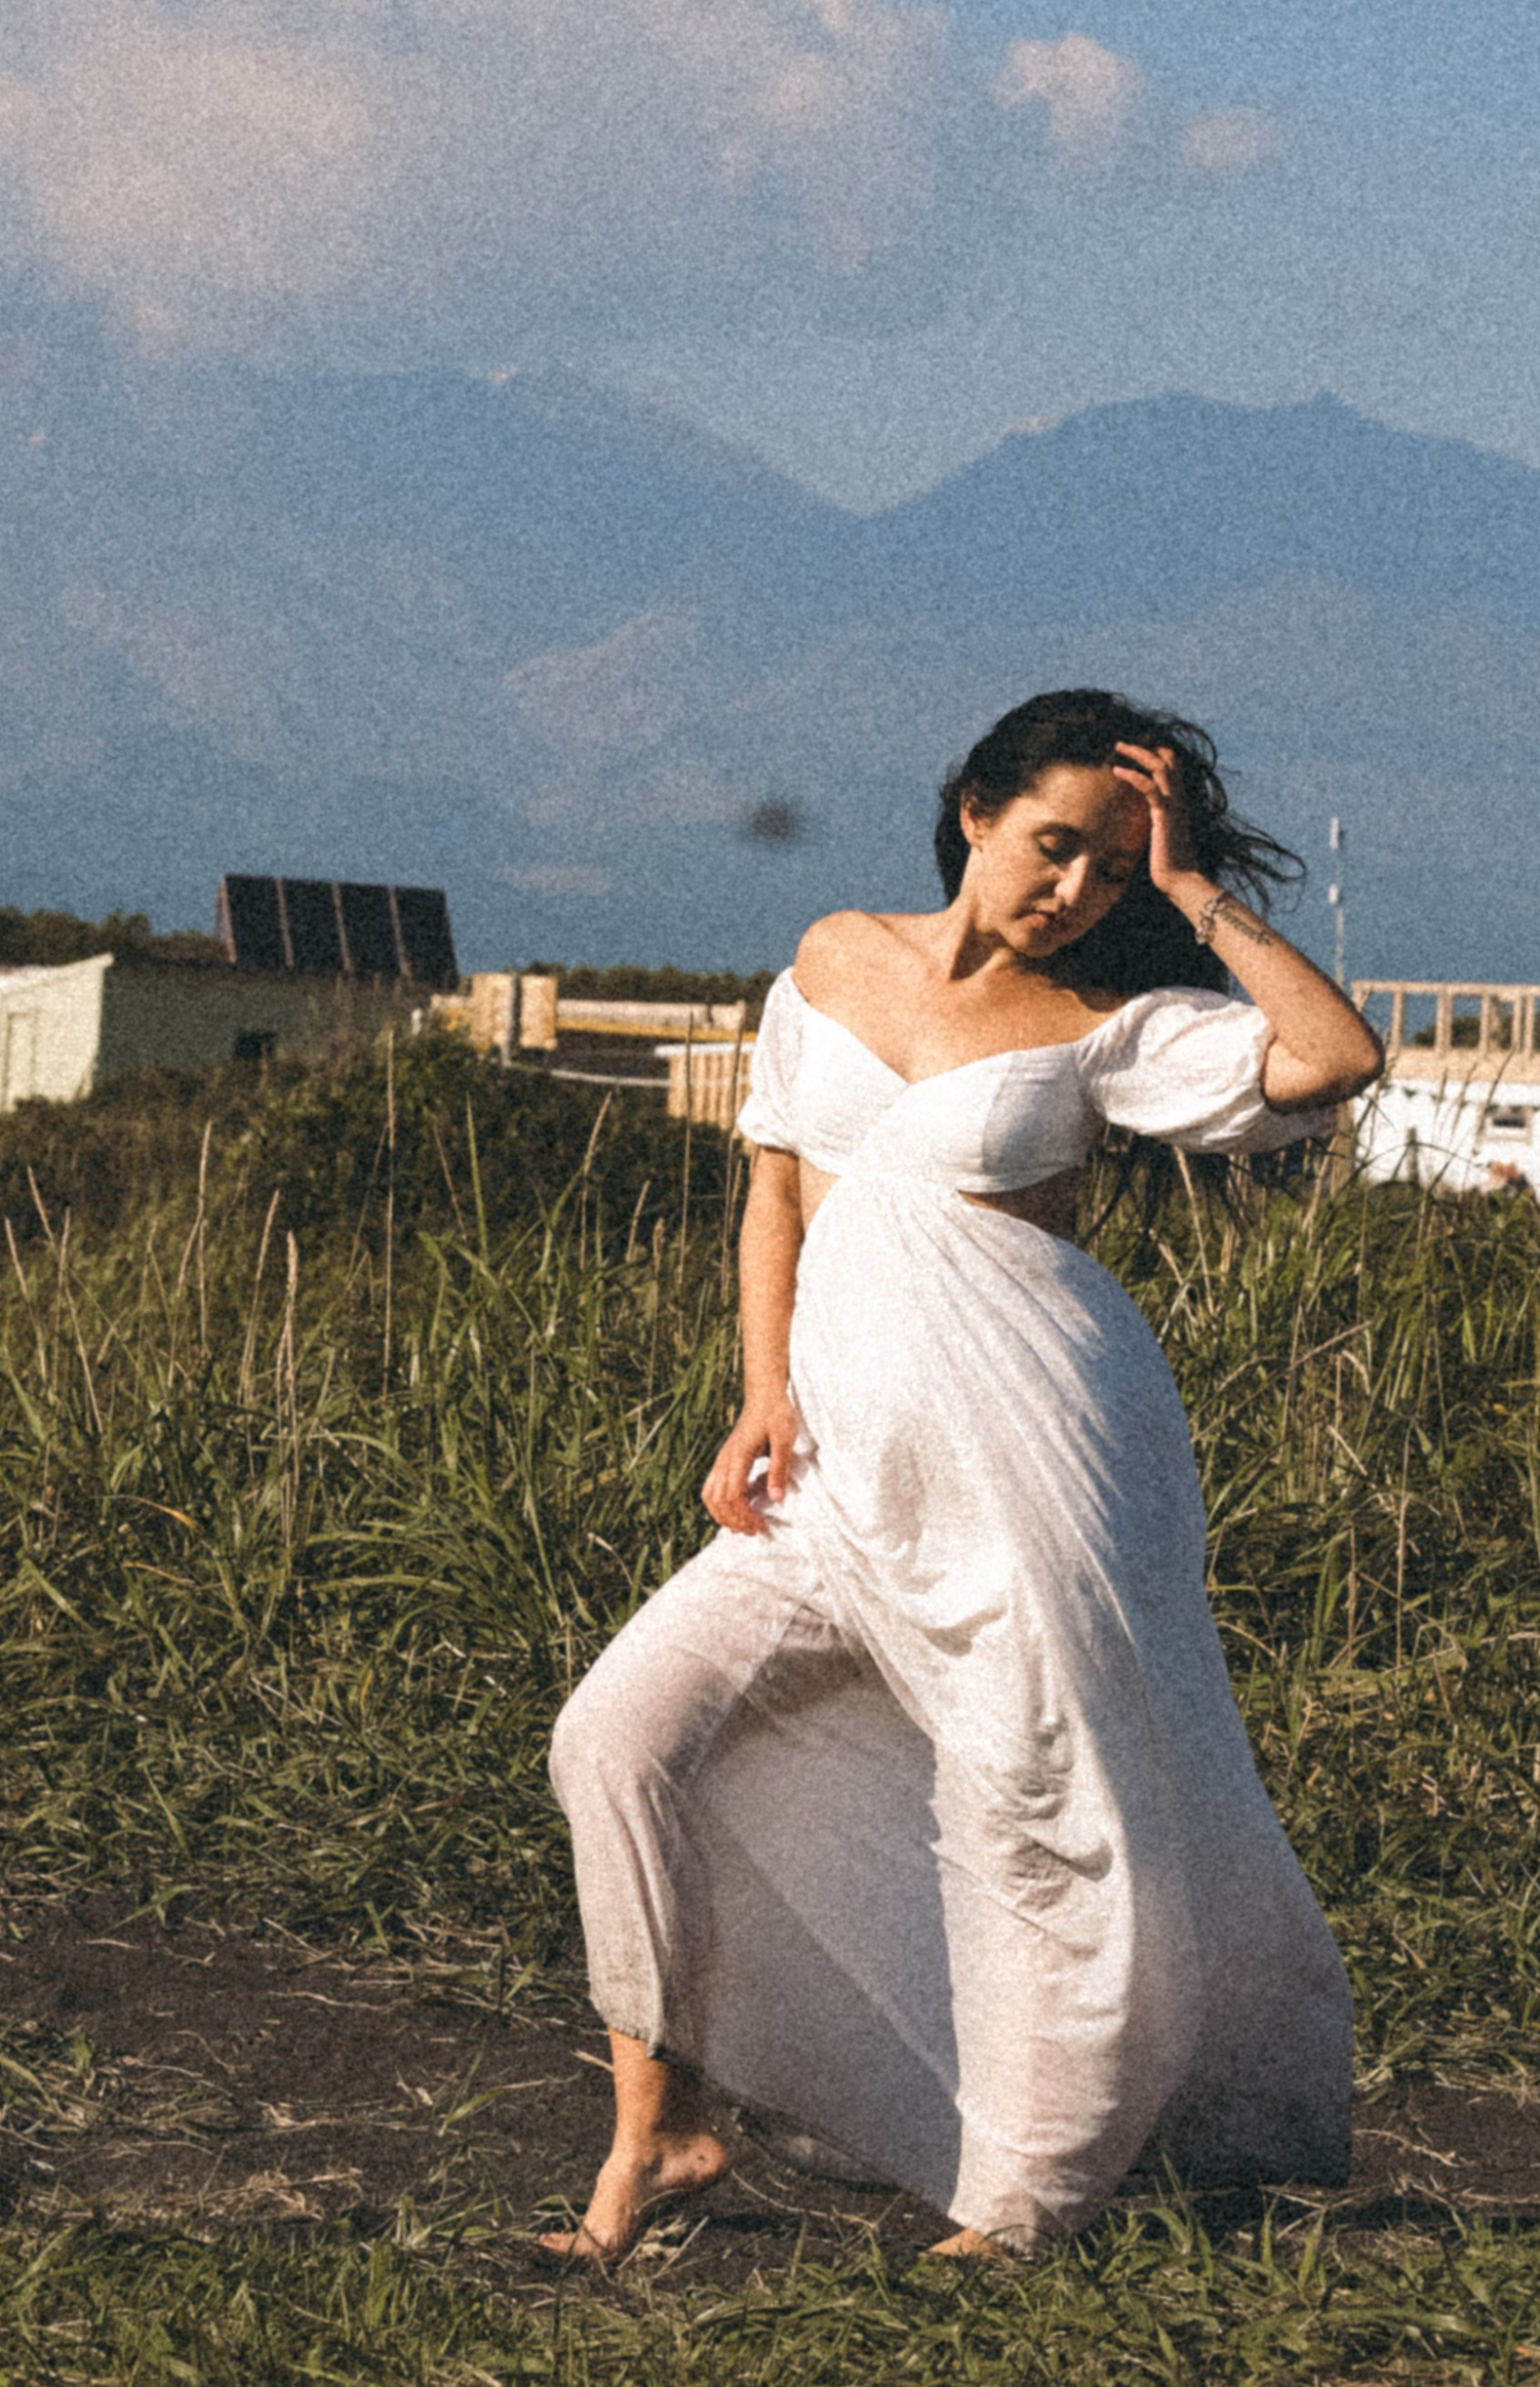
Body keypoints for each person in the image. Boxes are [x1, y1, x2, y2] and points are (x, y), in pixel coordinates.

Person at [543, 689, 1383, 2262]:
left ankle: (1027, 2198)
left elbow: (1334, 1059)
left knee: (1036, 1806)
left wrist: (1198, 893)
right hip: (834, 1473)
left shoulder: (1108, 1031)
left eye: (1115, 873)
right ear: (976, 812)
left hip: (1038, 1462)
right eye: (1059, 846)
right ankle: (660, 2137)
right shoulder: (830, 957)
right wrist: (758, 1395)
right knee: (615, 1740)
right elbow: (777, 1186)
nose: (1077, 890)